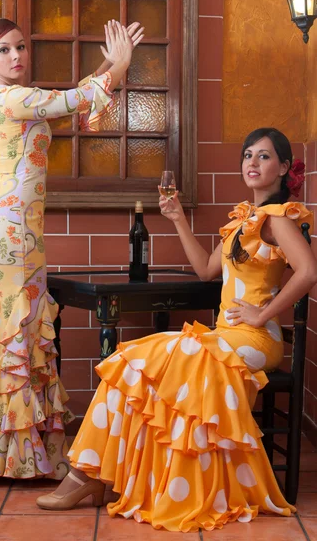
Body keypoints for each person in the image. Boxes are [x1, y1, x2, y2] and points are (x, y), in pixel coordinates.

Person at [36, 128, 317, 532]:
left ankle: (156, 484)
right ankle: (89, 474)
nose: (252, 163)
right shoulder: (244, 221)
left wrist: (262, 314)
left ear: (284, 167)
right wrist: (178, 220)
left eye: (265, 156)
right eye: (247, 155)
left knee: (180, 356)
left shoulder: (278, 219)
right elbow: (206, 269)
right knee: (131, 359)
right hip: (224, 337)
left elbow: (308, 271)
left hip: (257, 340)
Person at [0, 17, 144, 480]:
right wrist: (118, 67)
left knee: (9, 322)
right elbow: (70, 101)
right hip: (9, 225)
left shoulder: (13, 96)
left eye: (21, 47)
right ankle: (4, 454)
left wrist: (111, 63)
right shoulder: (11, 97)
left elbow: (72, 101)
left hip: (14, 222)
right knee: (15, 323)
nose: (17, 56)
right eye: (4, 50)